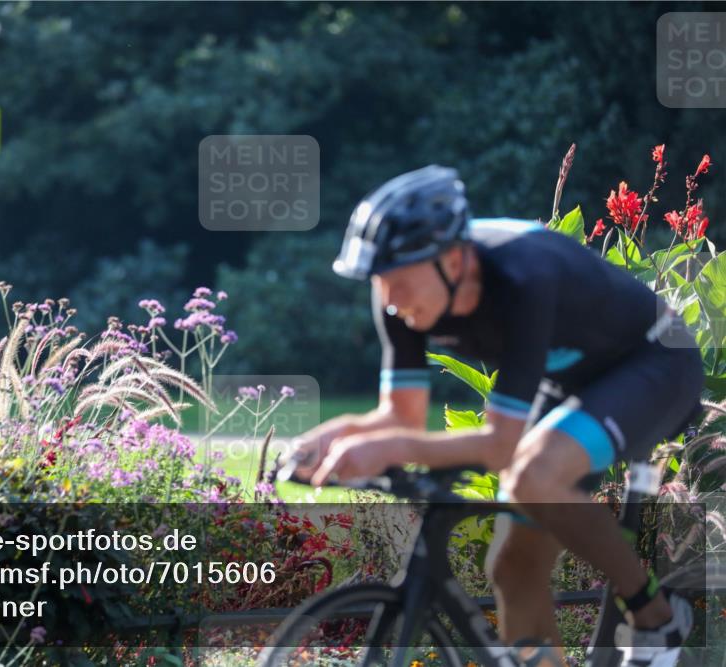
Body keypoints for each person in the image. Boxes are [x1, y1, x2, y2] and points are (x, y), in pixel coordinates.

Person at [289, 165, 704, 667]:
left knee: (533, 473)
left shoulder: (522, 277)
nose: (390, 299)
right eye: (379, 281)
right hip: (568, 376)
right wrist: (323, 439)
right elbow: (399, 415)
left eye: (399, 279)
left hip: (656, 361)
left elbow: (499, 446)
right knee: (512, 566)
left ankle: (655, 618)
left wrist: (391, 448)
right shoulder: (402, 302)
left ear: (456, 260)